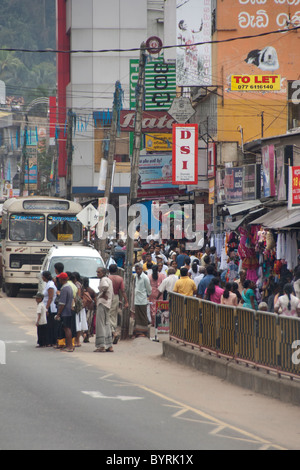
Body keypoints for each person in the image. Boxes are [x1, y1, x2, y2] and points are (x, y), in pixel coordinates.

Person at [94, 267, 114, 352]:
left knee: (100, 324)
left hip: (102, 303)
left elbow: (105, 286)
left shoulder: (103, 280)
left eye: (98, 272)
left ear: (103, 273)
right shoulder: (109, 280)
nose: (97, 274)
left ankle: (101, 345)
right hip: (108, 303)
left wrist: (103, 293)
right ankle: (109, 345)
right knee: (106, 323)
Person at [108, 264, 129, 344]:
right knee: (113, 315)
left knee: (108, 315)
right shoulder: (120, 279)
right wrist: (126, 301)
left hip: (108, 297)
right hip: (116, 297)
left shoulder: (107, 278)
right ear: (116, 270)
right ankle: (113, 332)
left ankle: (113, 332)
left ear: (109, 270)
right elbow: (123, 291)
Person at [55, 273, 75, 352]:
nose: (58, 280)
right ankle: (69, 345)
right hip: (68, 311)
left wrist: (59, 313)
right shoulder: (69, 287)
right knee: (67, 328)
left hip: (65, 312)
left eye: (59, 278)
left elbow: (62, 303)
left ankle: (69, 346)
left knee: (67, 328)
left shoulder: (64, 289)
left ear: (62, 279)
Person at [133, 263, 152, 338]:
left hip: (142, 299)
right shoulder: (136, 277)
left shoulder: (145, 278)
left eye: (138, 269)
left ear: (142, 269)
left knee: (143, 316)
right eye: (136, 269)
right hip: (137, 299)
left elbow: (149, 289)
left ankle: (144, 332)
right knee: (137, 316)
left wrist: (147, 295)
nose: (137, 271)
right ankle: (137, 332)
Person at [41, 270, 57, 347]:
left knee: (50, 325)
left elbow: (50, 298)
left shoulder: (50, 285)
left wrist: (46, 309)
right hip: (47, 306)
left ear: (45, 277)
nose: (42, 278)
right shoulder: (48, 284)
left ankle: (51, 341)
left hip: (51, 307)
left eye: (42, 276)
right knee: (48, 324)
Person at [73, 272, 88, 347]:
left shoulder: (77, 285)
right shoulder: (79, 284)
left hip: (78, 306)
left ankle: (77, 340)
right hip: (80, 306)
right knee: (78, 323)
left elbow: (78, 296)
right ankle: (77, 340)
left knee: (78, 323)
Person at [81, 277, 96, 342]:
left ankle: (84, 334)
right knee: (89, 322)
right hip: (90, 308)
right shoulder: (91, 290)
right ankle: (86, 334)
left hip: (82, 308)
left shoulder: (80, 290)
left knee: (82, 322)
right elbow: (95, 300)